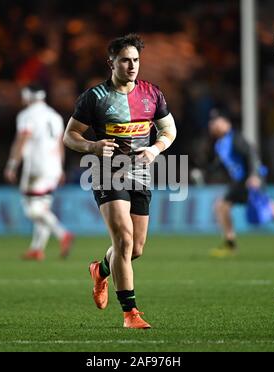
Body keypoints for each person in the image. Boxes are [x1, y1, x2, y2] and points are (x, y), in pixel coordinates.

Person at [63, 34, 176, 329]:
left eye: (136, 60)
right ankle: (131, 314)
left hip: (140, 173)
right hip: (106, 172)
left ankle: (99, 270)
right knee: (123, 241)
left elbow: (169, 131)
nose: (132, 66)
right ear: (111, 62)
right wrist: (92, 146)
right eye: (125, 60)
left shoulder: (152, 94)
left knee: (135, 248)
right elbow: (69, 136)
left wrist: (154, 148)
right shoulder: (95, 97)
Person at [4, 84, 74, 261]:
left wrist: (12, 165)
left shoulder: (27, 115)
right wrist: (60, 168)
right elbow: (60, 143)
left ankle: (62, 233)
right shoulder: (54, 115)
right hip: (53, 166)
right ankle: (37, 249)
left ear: (28, 96)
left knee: (31, 209)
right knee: (43, 206)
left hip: (36, 166)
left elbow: (22, 139)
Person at [207, 111, 274, 258]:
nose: (214, 126)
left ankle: (230, 244)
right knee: (222, 206)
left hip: (249, 180)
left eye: (217, 123)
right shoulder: (220, 144)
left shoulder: (235, 138)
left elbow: (251, 155)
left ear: (226, 124)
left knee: (273, 212)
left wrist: (254, 175)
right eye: (212, 124)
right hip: (240, 182)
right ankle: (230, 243)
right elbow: (223, 164)